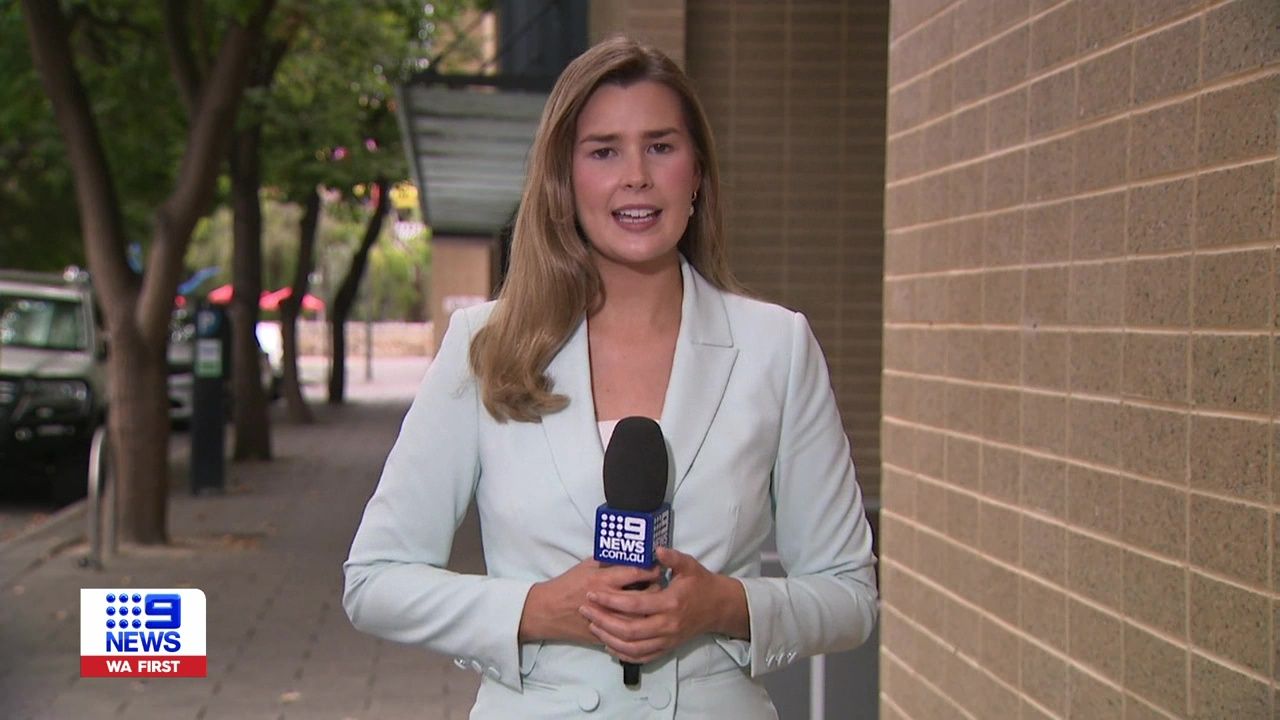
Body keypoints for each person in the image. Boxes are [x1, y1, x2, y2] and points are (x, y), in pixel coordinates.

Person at [343, 35, 878, 719]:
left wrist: (723, 604)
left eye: (661, 146)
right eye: (603, 151)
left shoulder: (777, 347)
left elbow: (848, 595)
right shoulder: (486, 345)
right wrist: (537, 609)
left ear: (697, 173)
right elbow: (375, 581)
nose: (636, 177)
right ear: (564, 182)